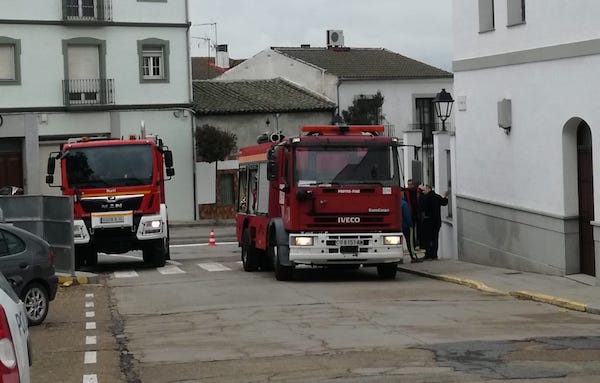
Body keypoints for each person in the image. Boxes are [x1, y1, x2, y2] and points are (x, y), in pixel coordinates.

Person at [419, 185, 448, 260]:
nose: (423, 192)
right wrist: (445, 196)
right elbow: (444, 203)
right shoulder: (437, 197)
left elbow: (421, 207)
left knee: (427, 239)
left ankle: (428, 255)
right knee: (435, 238)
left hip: (428, 221)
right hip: (437, 221)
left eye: (424, 190)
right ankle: (434, 255)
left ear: (428, 189)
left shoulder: (426, 198)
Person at [402, 179, 422, 248]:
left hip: (418, 213)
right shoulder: (406, 192)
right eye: (408, 184)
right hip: (411, 213)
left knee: (420, 229)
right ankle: (413, 244)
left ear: (414, 185)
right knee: (411, 230)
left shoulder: (419, 191)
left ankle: (419, 242)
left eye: (411, 184)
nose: (409, 186)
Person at [401, 194, 421, 263]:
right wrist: (411, 224)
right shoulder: (403, 204)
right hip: (406, 226)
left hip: (398, 226)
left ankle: (399, 258)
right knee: (410, 242)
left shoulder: (394, 203)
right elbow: (407, 215)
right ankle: (413, 257)